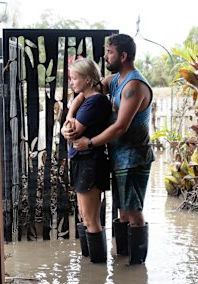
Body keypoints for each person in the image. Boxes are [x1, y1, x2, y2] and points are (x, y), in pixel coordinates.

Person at [63, 34, 155, 265]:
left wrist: (90, 143)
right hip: (118, 155)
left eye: (110, 52)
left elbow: (120, 127)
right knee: (122, 211)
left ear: (123, 56)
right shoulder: (114, 80)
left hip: (134, 156)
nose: (105, 56)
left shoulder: (134, 85)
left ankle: (136, 268)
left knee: (132, 211)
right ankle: (123, 261)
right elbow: (86, 91)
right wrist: (70, 116)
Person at [65, 58, 112, 263]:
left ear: (88, 79)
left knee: (91, 219)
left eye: (75, 78)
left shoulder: (95, 101)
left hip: (90, 162)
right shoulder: (87, 98)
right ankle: (90, 265)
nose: (72, 83)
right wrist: (69, 116)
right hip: (83, 161)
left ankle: (97, 271)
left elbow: (73, 130)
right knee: (85, 216)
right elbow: (69, 127)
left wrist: (67, 125)